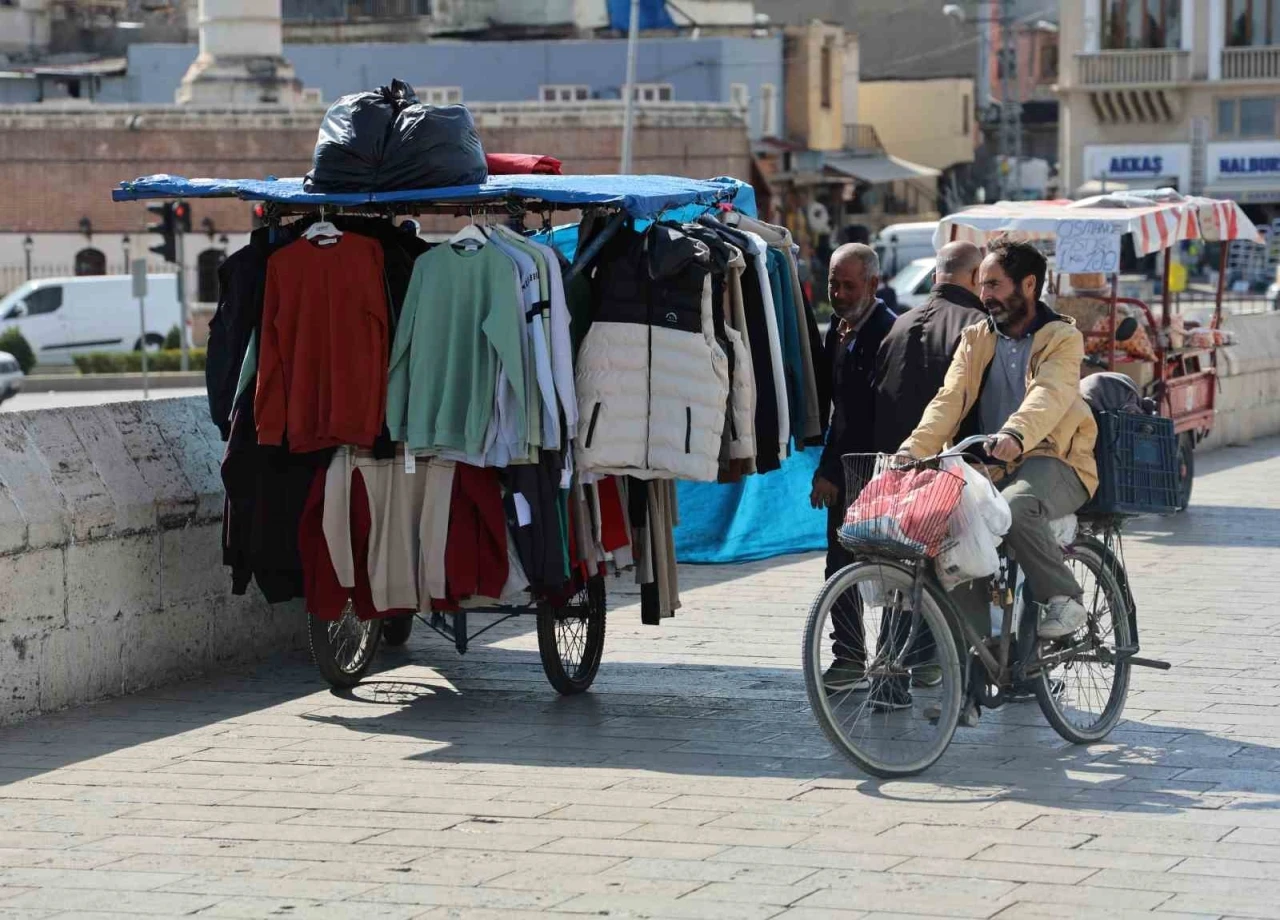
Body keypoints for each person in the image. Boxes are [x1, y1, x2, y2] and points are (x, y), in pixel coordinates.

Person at [899, 239, 1099, 657]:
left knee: (1017, 507)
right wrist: (912, 450)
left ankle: (1066, 599)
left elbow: (1049, 392)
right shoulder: (976, 338)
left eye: (994, 284)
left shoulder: (1062, 338)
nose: (984, 294)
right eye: (981, 284)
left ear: (1028, 285)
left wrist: (1015, 435)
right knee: (959, 533)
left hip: (1054, 458)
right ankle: (979, 663)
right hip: (989, 465)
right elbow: (948, 399)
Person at [809, 243, 897, 697]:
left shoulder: (887, 332)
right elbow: (835, 408)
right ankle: (848, 656)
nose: (839, 293)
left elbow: (866, 415)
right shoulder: (838, 330)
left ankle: (899, 660)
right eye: (833, 284)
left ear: (872, 285)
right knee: (839, 567)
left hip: (877, 470)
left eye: (849, 285)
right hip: (847, 469)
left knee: (891, 570)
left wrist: (832, 471)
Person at [874, 241, 987, 453]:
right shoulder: (979, 326)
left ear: (935, 277)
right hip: (955, 467)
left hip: (896, 463)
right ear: (976, 276)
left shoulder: (898, 324)